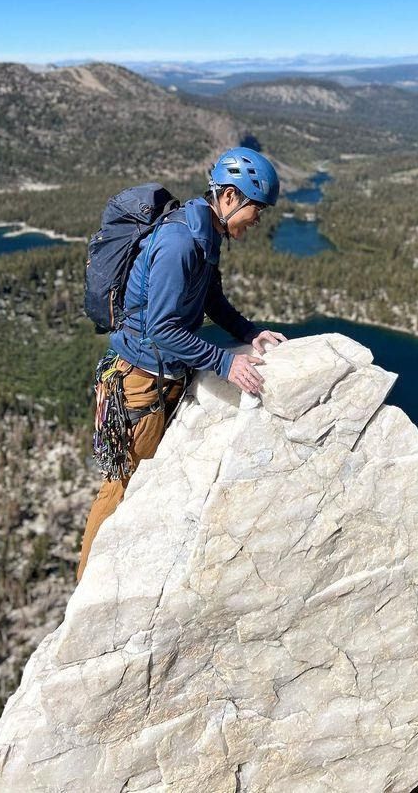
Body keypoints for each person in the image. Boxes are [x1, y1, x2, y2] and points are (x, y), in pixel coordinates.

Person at [76, 147, 287, 579]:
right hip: (141, 382)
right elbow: (162, 329)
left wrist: (249, 332)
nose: (258, 221)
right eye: (256, 210)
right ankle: (89, 584)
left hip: (163, 377)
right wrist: (225, 364)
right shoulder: (180, 243)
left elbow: (211, 299)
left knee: (142, 484)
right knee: (123, 485)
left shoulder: (204, 234)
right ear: (229, 197)